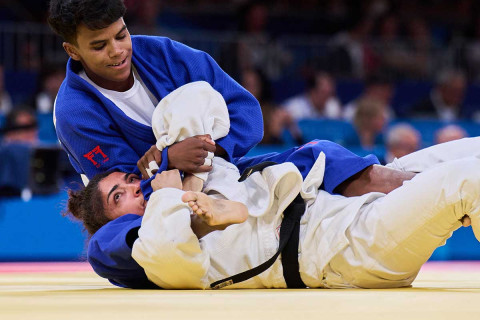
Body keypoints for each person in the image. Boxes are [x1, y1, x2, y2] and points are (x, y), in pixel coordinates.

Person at [70, 136, 480, 290]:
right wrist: (165, 194)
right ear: (113, 221)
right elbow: (153, 248)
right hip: (348, 249)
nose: (134, 190)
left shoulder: (194, 186)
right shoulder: (132, 244)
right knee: (468, 178)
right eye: (117, 196)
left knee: (471, 150)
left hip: (343, 207)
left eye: (127, 180)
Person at [47, 0, 264, 195]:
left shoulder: (164, 54)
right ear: (72, 50)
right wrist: (171, 159)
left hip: (224, 174)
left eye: (121, 36)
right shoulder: (74, 113)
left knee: (295, 165)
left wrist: (198, 153)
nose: (117, 51)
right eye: (99, 46)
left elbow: (248, 114)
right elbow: (121, 193)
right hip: (147, 219)